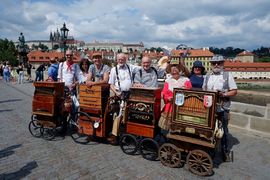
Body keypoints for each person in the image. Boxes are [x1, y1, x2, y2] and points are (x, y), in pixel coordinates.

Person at [202, 55, 237, 162]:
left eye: (219, 63)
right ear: (211, 64)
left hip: (223, 107)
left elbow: (234, 91)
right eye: (214, 63)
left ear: (223, 64)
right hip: (210, 107)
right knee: (210, 130)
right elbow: (204, 89)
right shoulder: (207, 75)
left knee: (224, 130)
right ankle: (210, 151)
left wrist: (224, 94)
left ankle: (225, 151)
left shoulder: (227, 75)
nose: (216, 65)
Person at [107, 53, 139, 144]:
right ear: (117, 60)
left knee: (129, 116)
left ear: (126, 59)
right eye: (119, 59)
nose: (121, 61)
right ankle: (115, 136)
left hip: (130, 96)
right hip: (119, 96)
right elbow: (111, 84)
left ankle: (127, 135)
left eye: (122, 59)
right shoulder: (114, 69)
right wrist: (116, 92)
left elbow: (142, 68)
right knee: (118, 116)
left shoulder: (130, 67)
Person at [158, 63, 192, 132]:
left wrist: (186, 90)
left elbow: (190, 93)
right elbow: (164, 93)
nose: (174, 72)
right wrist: (168, 98)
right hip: (170, 106)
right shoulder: (168, 81)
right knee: (167, 126)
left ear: (180, 71)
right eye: (172, 71)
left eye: (176, 70)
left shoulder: (186, 80)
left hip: (183, 106)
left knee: (180, 127)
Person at [57, 50, 80, 134]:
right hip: (63, 90)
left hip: (72, 90)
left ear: (72, 56)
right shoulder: (61, 65)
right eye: (67, 55)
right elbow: (59, 77)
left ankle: (73, 126)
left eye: (70, 55)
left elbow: (79, 79)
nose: (68, 57)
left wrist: (74, 84)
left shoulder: (75, 66)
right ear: (65, 56)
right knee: (64, 109)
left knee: (74, 108)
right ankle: (64, 126)